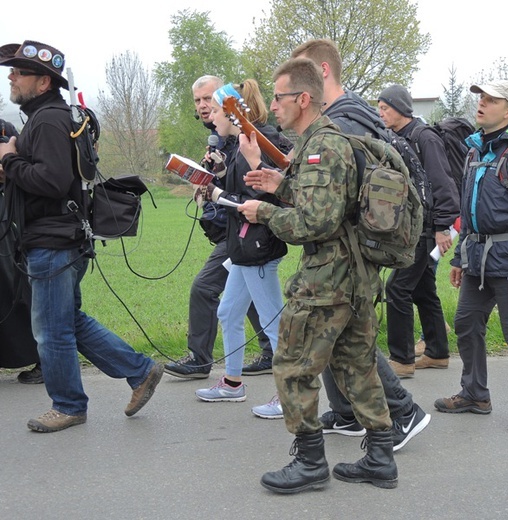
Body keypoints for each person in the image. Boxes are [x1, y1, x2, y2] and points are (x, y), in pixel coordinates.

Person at [237, 57, 397, 493]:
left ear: (303, 99)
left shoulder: (321, 147)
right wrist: (281, 184)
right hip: (357, 277)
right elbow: (333, 204)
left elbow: (315, 224)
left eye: (278, 96)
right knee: (356, 366)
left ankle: (309, 463)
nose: (272, 105)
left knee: (291, 365)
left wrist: (264, 211)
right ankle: (381, 457)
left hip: (328, 280)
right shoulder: (331, 141)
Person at [0, 40, 163, 432]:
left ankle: (69, 405)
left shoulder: (49, 120)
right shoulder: (49, 117)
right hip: (61, 239)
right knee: (68, 320)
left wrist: (9, 159)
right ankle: (140, 371)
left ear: (42, 82)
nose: (11, 77)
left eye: (19, 72)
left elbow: (52, 182)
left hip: (54, 241)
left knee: (51, 329)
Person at [292, 38, 430, 450]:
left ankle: (403, 412)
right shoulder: (346, 116)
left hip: (351, 249)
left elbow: (332, 196)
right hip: (349, 245)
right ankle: (351, 413)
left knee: (350, 337)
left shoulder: (345, 122)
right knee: (337, 333)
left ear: (322, 73)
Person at [434, 80, 508, 434]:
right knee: (467, 324)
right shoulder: (475, 152)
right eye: (481, 98)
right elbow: (468, 212)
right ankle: (474, 394)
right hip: (477, 260)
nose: (482, 104)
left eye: (491, 100)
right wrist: (459, 258)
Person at [163, 75, 274, 380]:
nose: (203, 108)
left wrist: (216, 191)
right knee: (240, 301)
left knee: (205, 287)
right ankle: (249, 371)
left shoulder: (247, 140)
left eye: (208, 101)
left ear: (228, 105)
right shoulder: (220, 139)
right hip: (235, 233)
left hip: (249, 233)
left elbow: (254, 193)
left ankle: (200, 361)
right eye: (197, 101)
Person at [194, 80, 289, 419]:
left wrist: (215, 194)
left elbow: (261, 198)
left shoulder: (257, 142)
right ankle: (233, 383)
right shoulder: (238, 144)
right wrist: (213, 179)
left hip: (258, 246)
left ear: (233, 113)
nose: (210, 115)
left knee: (272, 320)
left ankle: (288, 394)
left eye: (216, 109)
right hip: (243, 247)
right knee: (229, 313)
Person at [377, 84, 459, 377]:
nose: (381, 113)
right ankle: (437, 353)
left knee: (397, 288)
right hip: (412, 226)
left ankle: (402, 360)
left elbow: (442, 182)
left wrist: (441, 227)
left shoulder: (424, 137)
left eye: (385, 108)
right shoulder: (396, 137)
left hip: (427, 227)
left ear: (400, 108)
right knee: (423, 289)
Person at [0, 117, 43, 384]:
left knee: (14, 284)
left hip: (5, 217)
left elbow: (24, 165)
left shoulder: (7, 129)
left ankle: (43, 358)